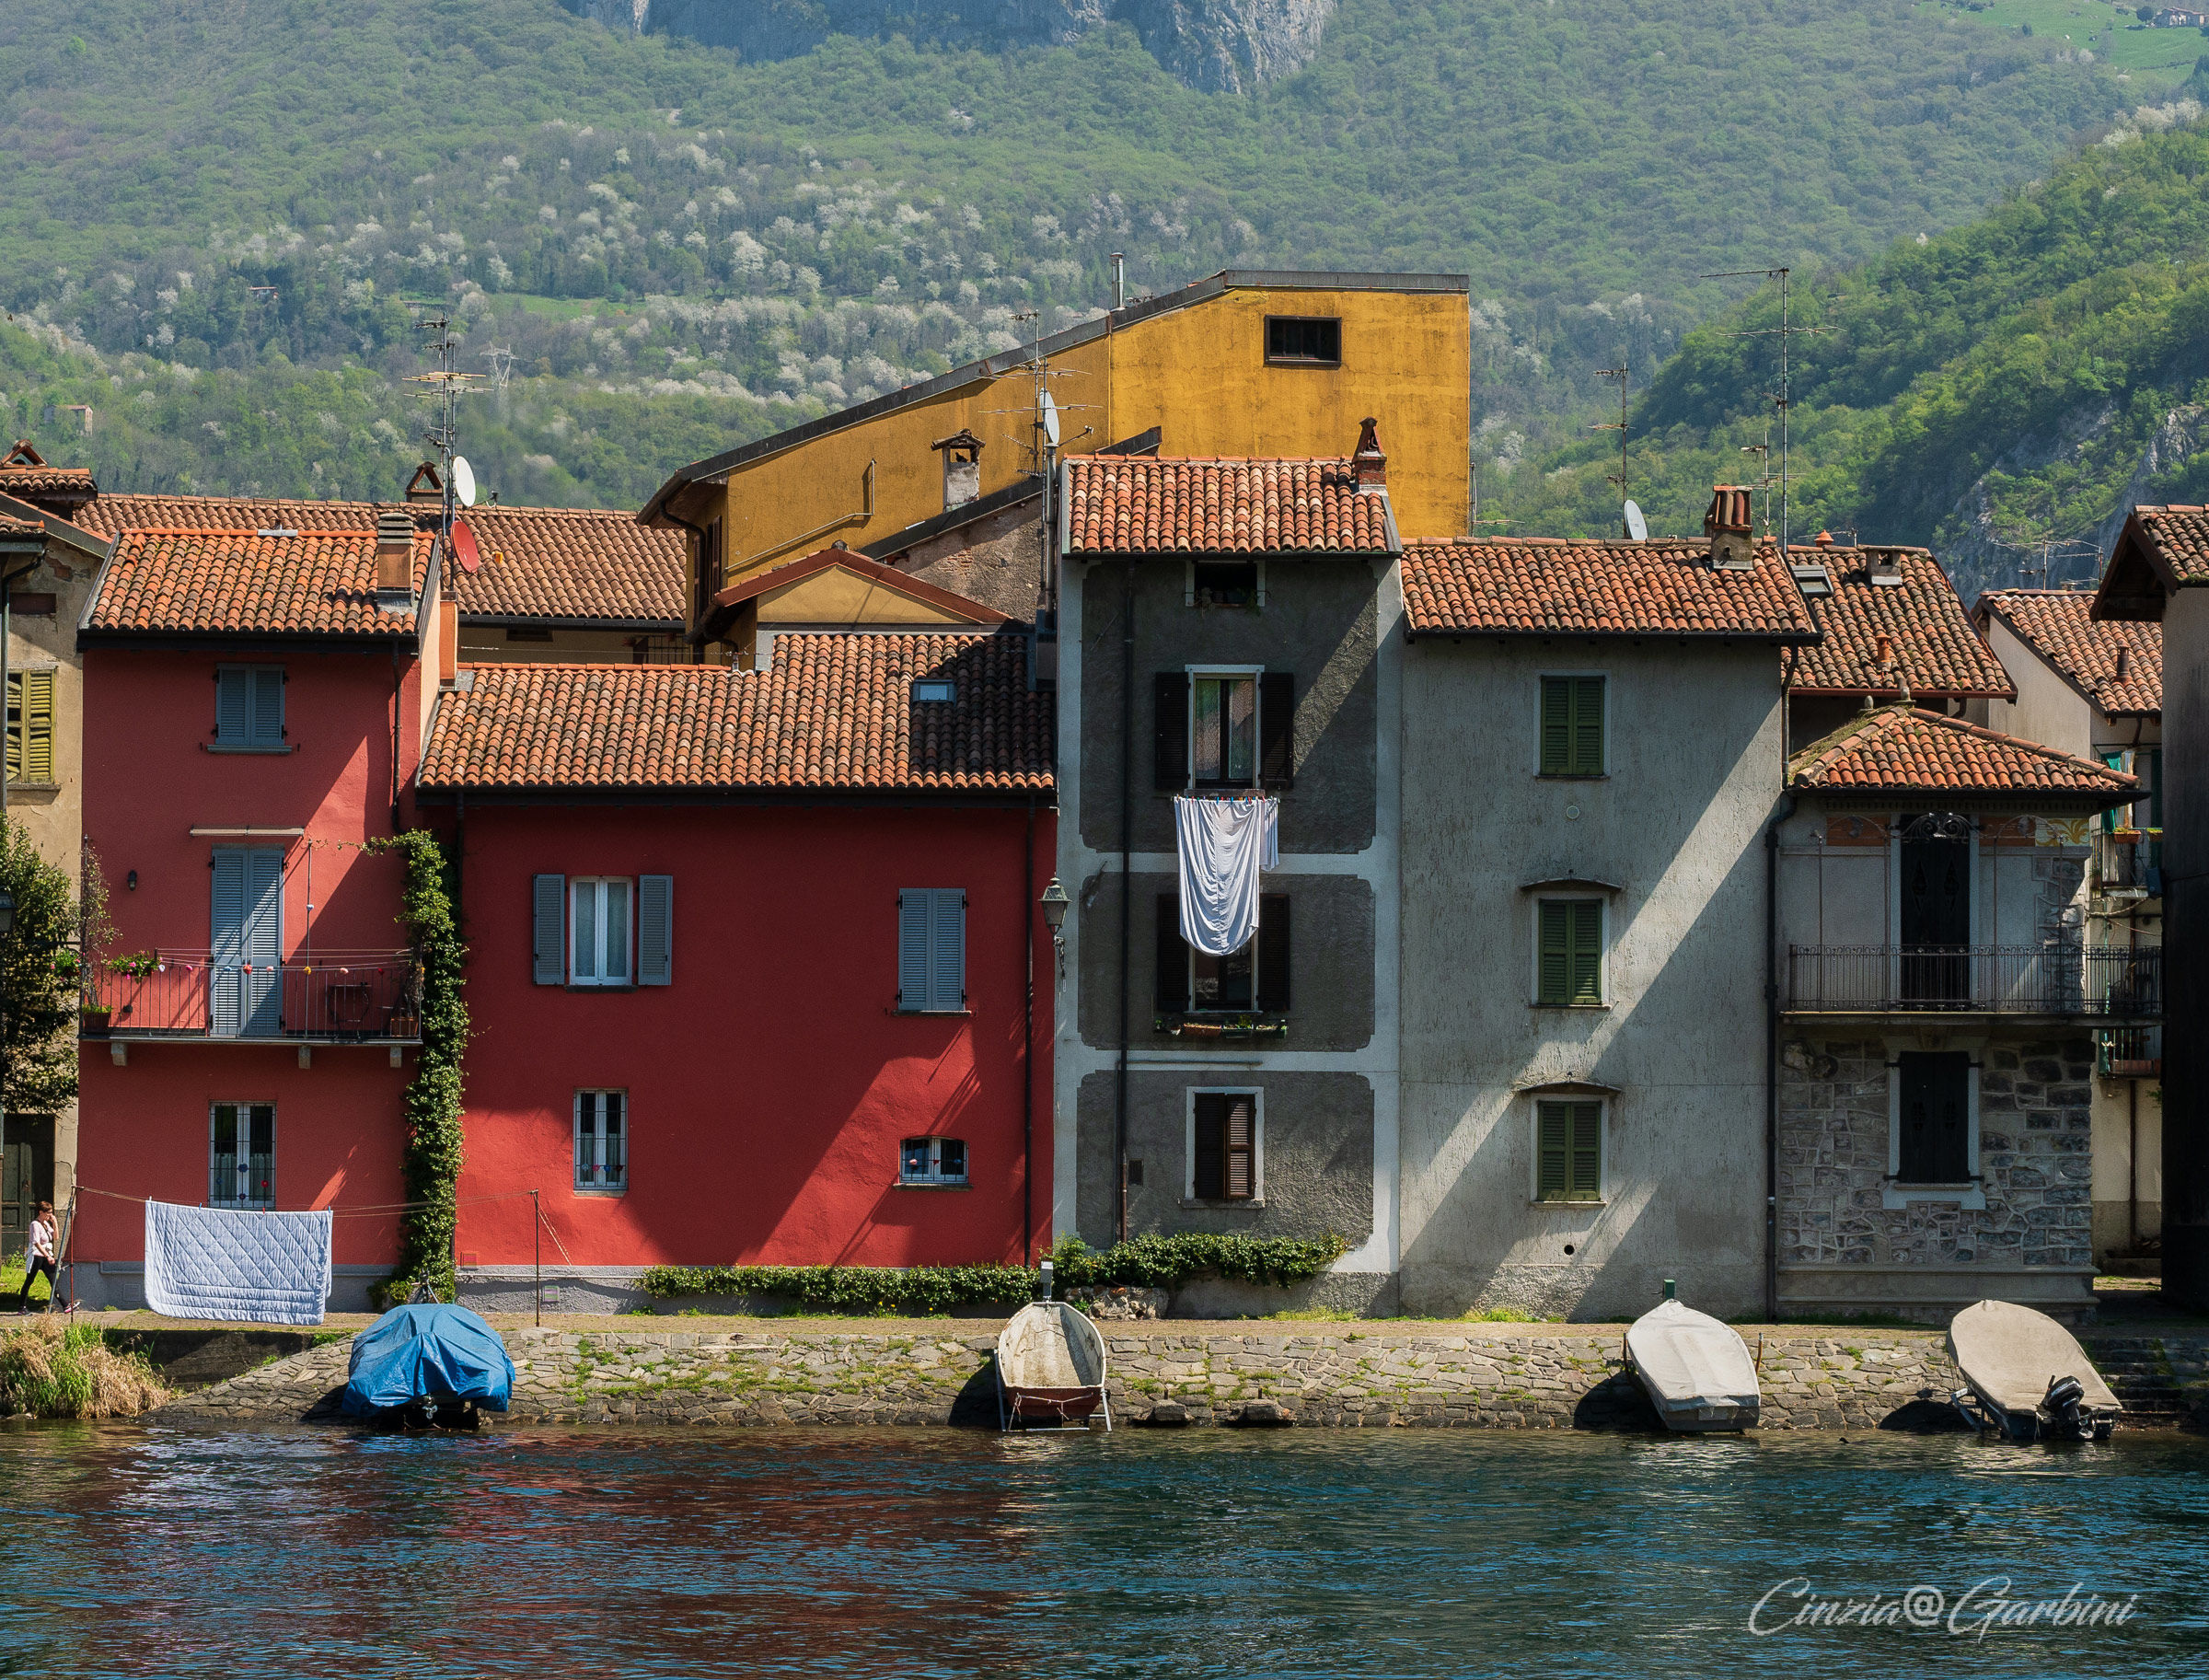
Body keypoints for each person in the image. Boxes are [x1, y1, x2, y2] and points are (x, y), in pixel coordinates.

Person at [18, 1202, 60, 1313]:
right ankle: (22, 1307)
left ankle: (65, 1305)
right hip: (37, 1256)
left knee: (53, 1280)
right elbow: (36, 1243)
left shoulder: (46, 1223)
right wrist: (48, 1256)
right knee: (29, 1281)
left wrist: (55, 1222)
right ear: (41, 1212)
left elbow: (56, 1237)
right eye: (48, 1213)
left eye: (51, 1213)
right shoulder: (35, 1224)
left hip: (46, 1256)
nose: (50, 1215)